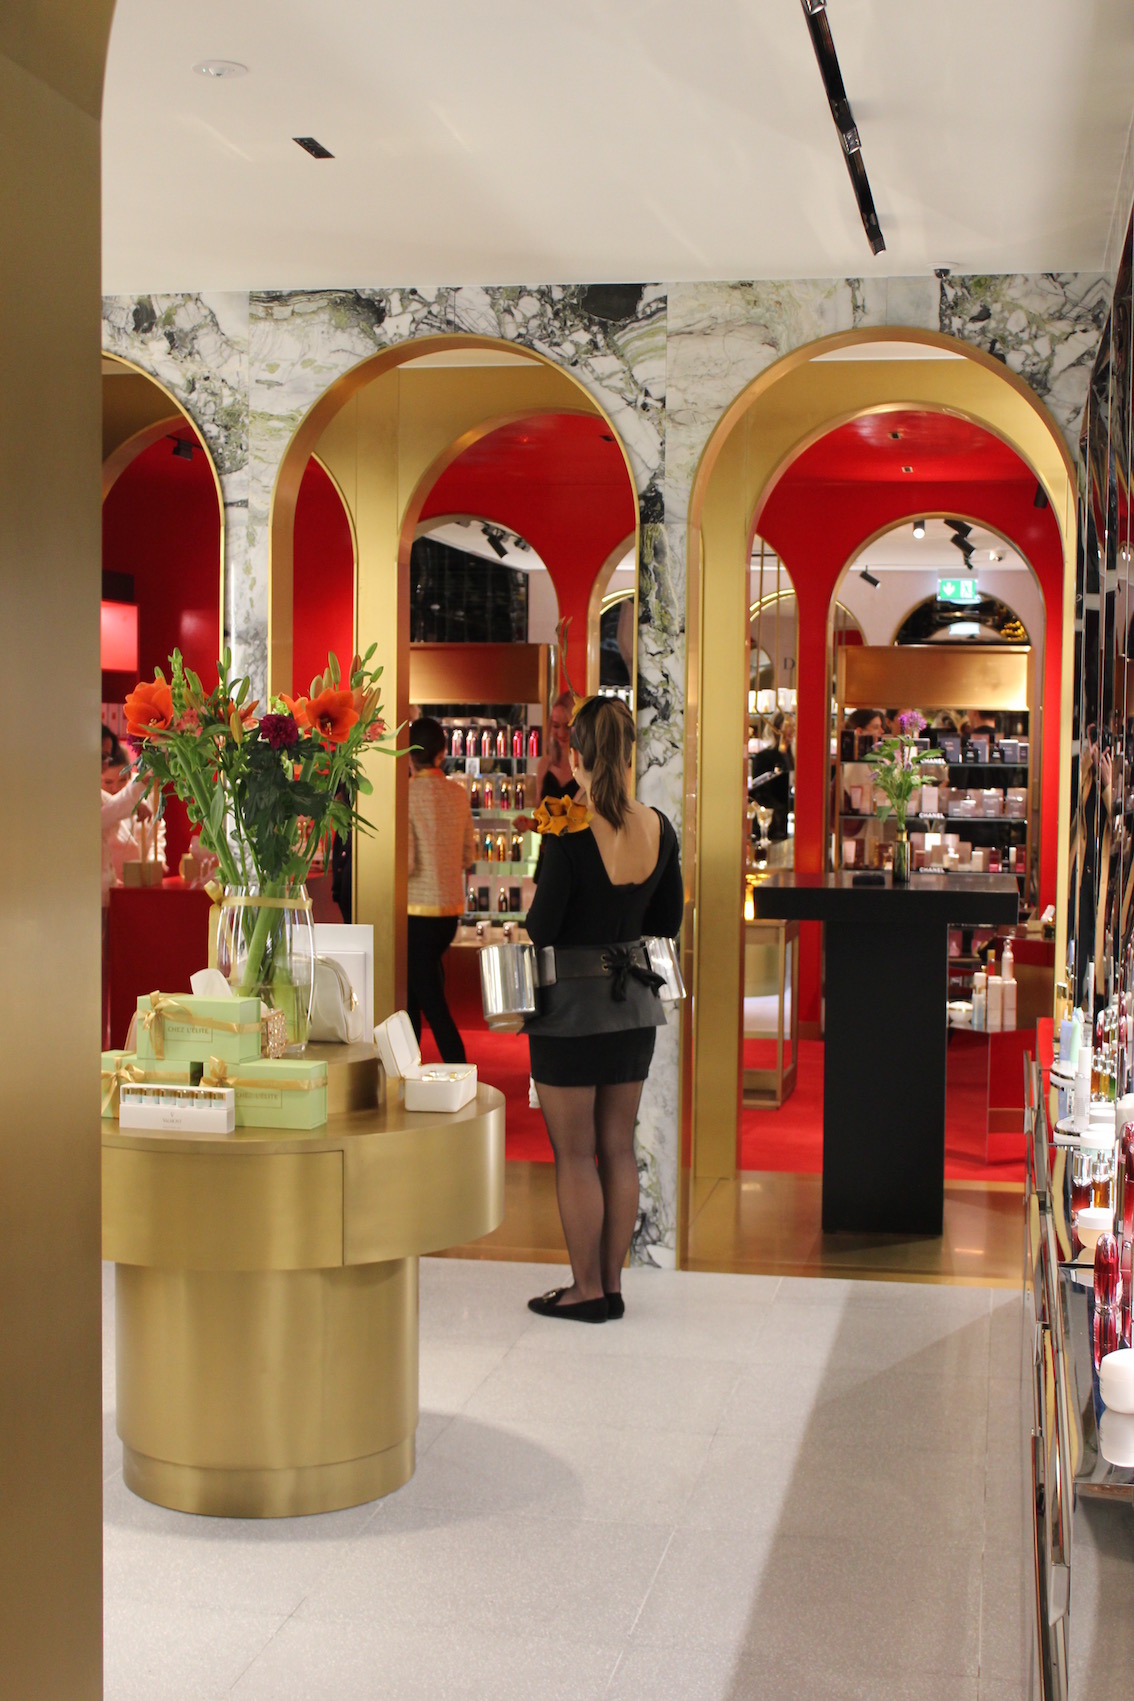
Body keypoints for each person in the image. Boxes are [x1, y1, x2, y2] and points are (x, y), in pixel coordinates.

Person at [523, 696, 683, 1323]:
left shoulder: (567, 826)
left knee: (574, 1154)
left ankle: (585, 1289)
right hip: (633, 1006)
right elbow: (665, 921)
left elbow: (542, 926)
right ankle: (611, 1287)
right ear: (630, 754)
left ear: (579, 753)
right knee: (618, 1149)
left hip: (570, 1008)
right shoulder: (658, 826)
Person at [406, 715, 477, 1062]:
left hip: (414, 913)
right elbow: (469, 856)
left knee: (429, 1002)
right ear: (442, 753)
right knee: (414, 994)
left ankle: (459, 1067)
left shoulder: (405, 796)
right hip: (449, 912)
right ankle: (409, 1067)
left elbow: (407, 864)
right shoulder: (458, 795)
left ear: (409, 755)